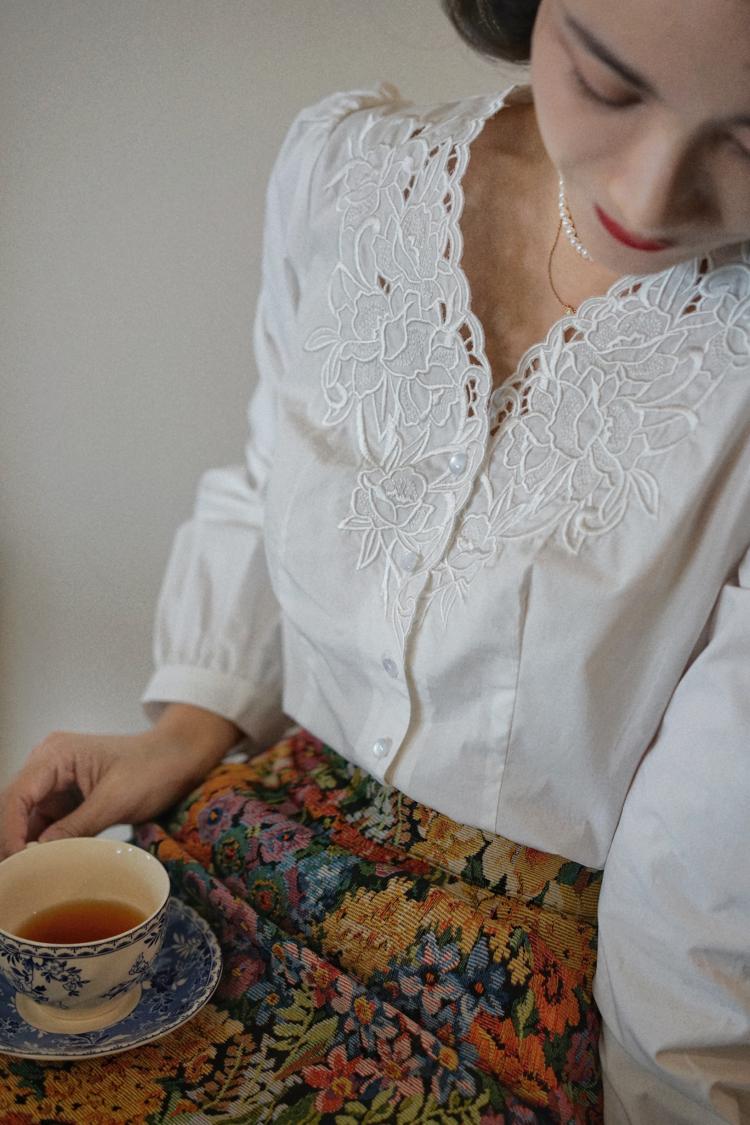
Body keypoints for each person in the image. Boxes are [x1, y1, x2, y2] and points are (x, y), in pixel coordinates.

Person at [1, 0, 748, 1120]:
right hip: (240, 823)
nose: (649, 196)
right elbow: (266, 474)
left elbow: (706, 861)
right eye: (608, 83)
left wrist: (669, 1100)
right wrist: (187, 727)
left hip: (513, 967)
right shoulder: (346, 175)